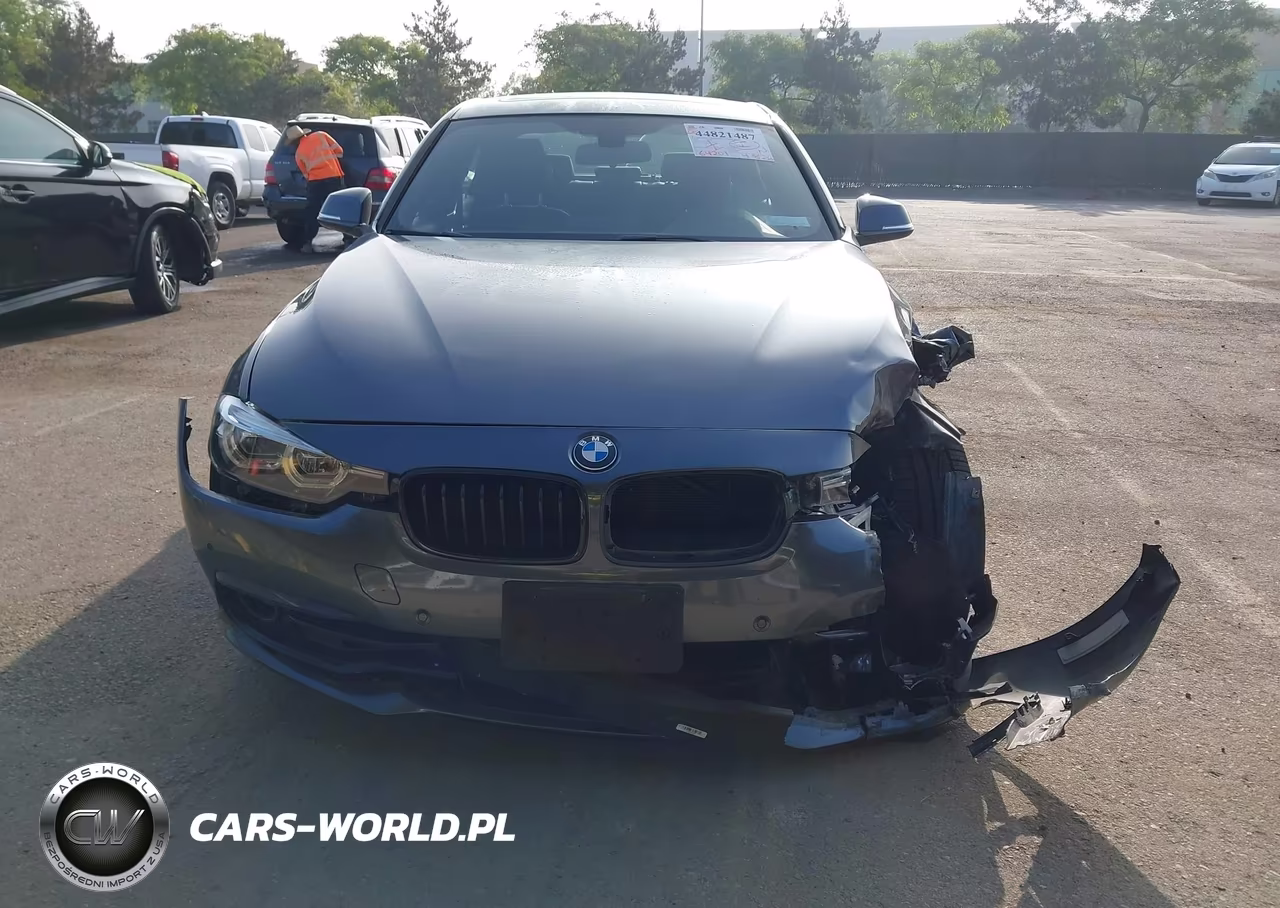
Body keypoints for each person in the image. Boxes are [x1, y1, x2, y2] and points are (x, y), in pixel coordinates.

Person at [286, 124, 345, 253]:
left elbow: (306, 174)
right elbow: (340, 151)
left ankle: (307, 242)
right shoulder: (321, 135)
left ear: (294, 142)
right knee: (340, 208)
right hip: (334, 177)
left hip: (315, 182)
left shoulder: (298, 154)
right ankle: (349, 238)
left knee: (312, 212)